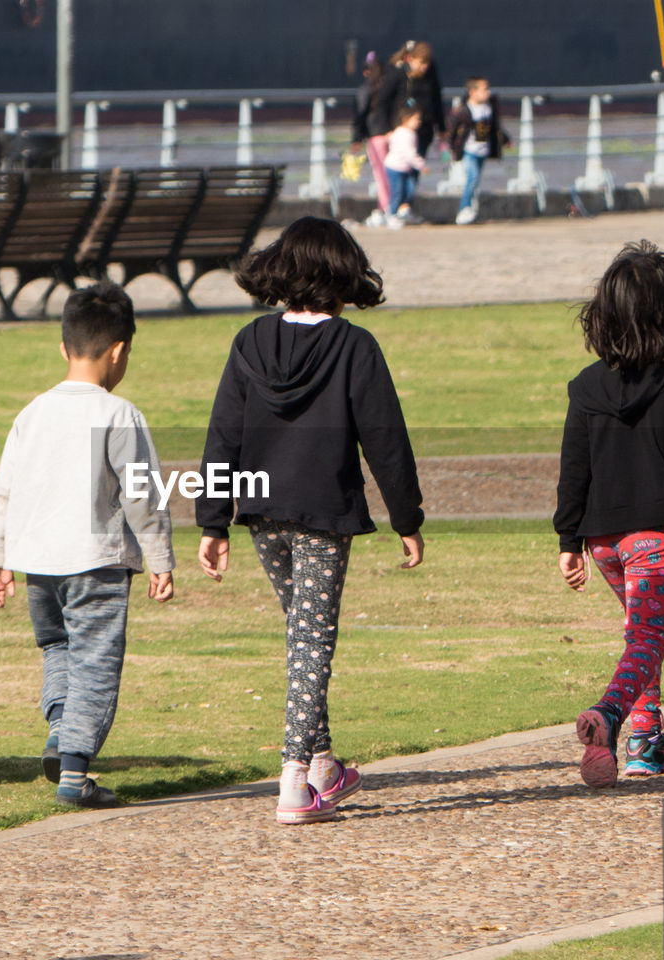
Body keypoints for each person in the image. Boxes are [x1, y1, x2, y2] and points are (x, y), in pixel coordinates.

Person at [195, 216, 425, 824]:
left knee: (302, 634)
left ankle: (323, 763)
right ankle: (295, 780)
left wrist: (214, 521)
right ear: (342, 275)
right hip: (322, 514)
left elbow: (224, 434)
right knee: (312, 639)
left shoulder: (250, 341)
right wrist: (408, 517)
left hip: (263, 511)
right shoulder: (353, 346)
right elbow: (386, 438)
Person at [0, 281, 176, 808]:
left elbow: (6, 490)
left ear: (64, 348)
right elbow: (142, 497)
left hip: (38, 564)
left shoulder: (32, 414)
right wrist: (159, 559)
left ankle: (61, 725)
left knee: (57, 647)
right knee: (95, 659)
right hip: (97, 563)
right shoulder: (118, 414)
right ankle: (75, 773)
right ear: (120, 352)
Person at [553, 240, 664, 789]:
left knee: (644, 635)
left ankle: (648, 742)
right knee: (650, 638)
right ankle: (612, 716)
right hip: (657, 534)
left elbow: (573, 466)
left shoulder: (586, 385)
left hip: (602, 538)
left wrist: (567, 541)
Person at [446, 77, 511, 225]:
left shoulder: (488, 108)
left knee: (475, 180)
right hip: (469, 150)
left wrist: (505, 139)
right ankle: (464, 209)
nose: (488, 92)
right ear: (472, 92)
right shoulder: (463, 109)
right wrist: (451, 148)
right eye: (484, 89)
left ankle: (470, 208)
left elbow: (494, 128)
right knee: (472, 178)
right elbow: (452, 130)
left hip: (482, 150)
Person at [373, 41, 445, 162]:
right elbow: (382, 102)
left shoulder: (431, 73)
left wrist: (441, 127)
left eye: (427, 63)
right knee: (402, 168)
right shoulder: (397, 73)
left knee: (415, 167)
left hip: (424, 131)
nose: (424, 67)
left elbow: (436, 100)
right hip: (402, 132)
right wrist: (386, 129)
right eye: (421, 63)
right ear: (410, 59)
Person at [350, 52, 392, 227]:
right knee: (391, 174)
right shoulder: (388, 89)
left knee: (381, 175)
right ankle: (390, 206)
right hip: (391, 135)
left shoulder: (365, 90)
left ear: (367, 72)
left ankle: (385, 208)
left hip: (375, 136)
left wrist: (356, 138)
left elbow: (360, 115)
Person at [384, 106, 428, 225]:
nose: (419, 122)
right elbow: (409, 153)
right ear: (405, 119)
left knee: (409, 190)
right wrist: (421, 165)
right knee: (397, 191)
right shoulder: (405, 134)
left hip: (404, 168)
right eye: (416, 119)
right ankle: (392, 214)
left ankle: (403, 211)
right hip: (395, 167)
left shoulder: (406, 132)